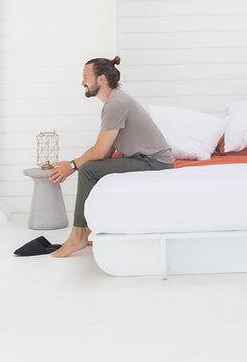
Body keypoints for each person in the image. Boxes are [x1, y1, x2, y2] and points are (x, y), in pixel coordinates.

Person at [47, 56, 173, 257]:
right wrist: (73, 165)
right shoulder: (116, 101)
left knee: (88, 170)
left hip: (154, 163)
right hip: (147, 160)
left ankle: (79, 236)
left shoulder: (116, 104)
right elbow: (104, 152)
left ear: (102, 79)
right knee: (92, 167)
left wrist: (71, 166)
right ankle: (87, 231)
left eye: (86, 77)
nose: (82, 83)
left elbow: (98, 152)